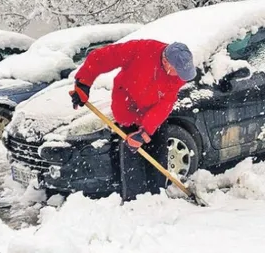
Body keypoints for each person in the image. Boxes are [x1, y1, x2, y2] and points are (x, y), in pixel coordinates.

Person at [69, 39, 196, 201]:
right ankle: (133, 203)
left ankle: (157, 200)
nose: (180, 77)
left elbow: (166, 102)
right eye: (177, 71)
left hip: (153, 114)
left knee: (158, 158)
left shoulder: (179, 74)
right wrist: (83, 83)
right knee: (131, 163)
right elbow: (101, 58)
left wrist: (144, 132)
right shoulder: (140, 50)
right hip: (127, 108)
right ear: (166, 61)